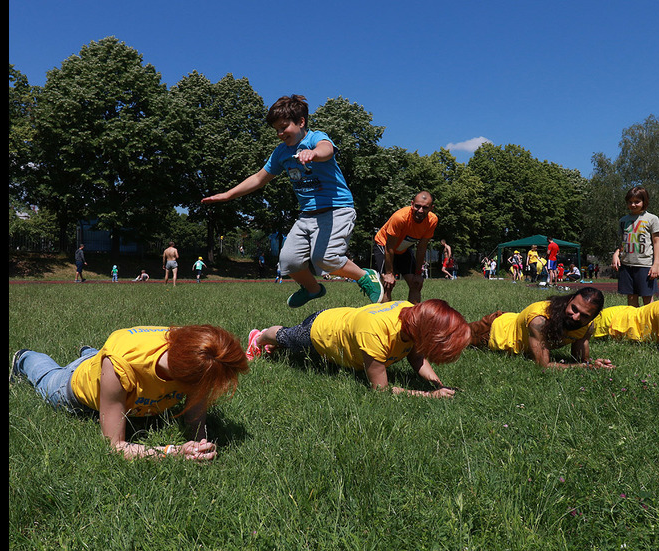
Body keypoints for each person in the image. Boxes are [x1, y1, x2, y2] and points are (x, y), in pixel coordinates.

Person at [200, 94, 383, 308]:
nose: (280, 133)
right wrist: (227, 195)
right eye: (276, 129)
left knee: (324, 259)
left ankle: (364, 275)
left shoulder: (315, 138)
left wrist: (313, 153)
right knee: (289, 261)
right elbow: (259, 178)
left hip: (336, 210)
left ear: (301, 122)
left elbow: (327, 149)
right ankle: (313, 289)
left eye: (284, 127)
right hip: (307, 215)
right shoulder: (281, 153)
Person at [11, 325, 250, 460]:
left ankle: (91, 354)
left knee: (101, 359)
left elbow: (196, 409)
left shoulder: (195, 349)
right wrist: (174, 452)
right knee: (47, 378)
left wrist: (200, 442)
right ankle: (25, 358)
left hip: (108, 363)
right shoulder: (119, 368)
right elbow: (116, 446)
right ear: (185, 376)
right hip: (74, 388)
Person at [245, 299, 469, 398]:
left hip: (344, 320)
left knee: (286, 345)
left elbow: (416, 357)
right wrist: (430, 396)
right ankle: (258, 337)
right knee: (285, 337)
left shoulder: (413, 315)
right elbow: (381, 390)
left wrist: (438, 385)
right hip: (321, 331)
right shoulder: (375, 333)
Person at [467, 287, 613, 369]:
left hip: (515, 323)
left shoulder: (587, 327)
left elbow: (581, 360)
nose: (575, 317)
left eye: (584, 315)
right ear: (569, 300)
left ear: (593, 317)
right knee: (451, 333)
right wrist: (584, 367)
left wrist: (595, 365)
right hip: (492, 331)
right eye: (574, 309)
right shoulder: (540, 320)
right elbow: (543, 366)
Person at [373, 191, 438, 303]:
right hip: (385, 245)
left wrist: (418, 273)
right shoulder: (400, 218)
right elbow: (389, 248)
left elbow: (421, 248)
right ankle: (385, 318)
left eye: (425, 207)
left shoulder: (432, 221)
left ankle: (413, 319)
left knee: (416, 283)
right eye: (417, 206)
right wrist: (389, 274)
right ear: (412, 204)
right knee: (388, 284)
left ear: (431, 208)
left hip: (403, 248)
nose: (420, 211)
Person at [611, 185, 659, 307]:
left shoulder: (652, 219)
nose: (633, 205)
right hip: (627, 265)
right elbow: (624, 242)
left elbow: (657, 242)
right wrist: (616, 253)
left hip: (644, 265)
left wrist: (656, 264)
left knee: (647, 299)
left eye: (637, 202)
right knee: (631, 298)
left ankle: (648, 324)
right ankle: (634, 325)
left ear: (644, 201)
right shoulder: (623, 220)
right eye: (630, 202)